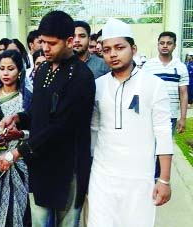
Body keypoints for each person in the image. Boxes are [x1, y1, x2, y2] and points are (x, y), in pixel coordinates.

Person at [0, 11, 95, 227]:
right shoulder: (42, 70)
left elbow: (60, 127)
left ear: (69, 41)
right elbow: (37, 112)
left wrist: (17, 152)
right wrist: (18, 118)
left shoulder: (81, 77)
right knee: (40, 222)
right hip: (41, 162)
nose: (45, 49)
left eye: (52, 43)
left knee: (67, 223)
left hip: (69, 166)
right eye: (42, 42)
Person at [88, 18, 173, 227]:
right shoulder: (97, 85)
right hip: (102, 176)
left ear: (133, 49)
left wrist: (164, 179)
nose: (113, 54)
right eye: (106, 49)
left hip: (138, 177)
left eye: (119, 47)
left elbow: (163, 133)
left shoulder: (154, 85)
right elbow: (94, 130)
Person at [0, 50, 31, 227]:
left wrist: (20, 135)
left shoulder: (27, 98)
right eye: (2, 68)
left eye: (11, 68)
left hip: (20, 159)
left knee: (18, 209)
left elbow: (36, 131)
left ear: (19, 71)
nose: (5, 73)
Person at [143, 31, 189, 134]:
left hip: (170, 115)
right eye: (162, 43)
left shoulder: (181, 67)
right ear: (158, 45)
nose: (165, 46)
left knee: (165, 147)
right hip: (151, 114)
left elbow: (183, 93)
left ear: (174, 46)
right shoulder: (148, 66)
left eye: (169, 43)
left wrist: (183, 118)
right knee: (149, 147)